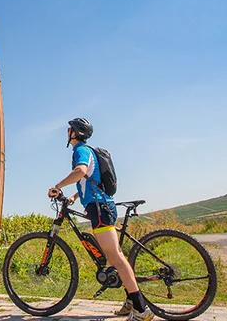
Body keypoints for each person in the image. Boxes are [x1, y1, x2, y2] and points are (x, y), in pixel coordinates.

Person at [47, 118, 153, 321]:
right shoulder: (88, 151)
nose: (67, 131)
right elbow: (90, 181)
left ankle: (142, 310)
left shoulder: (81, 150)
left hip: (100, 209)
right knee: (115, 257)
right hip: (100, 206)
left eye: (69, 129)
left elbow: (80, 172)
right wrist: (74, 197)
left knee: (116, 257)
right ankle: (130, 301)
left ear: (75, 133)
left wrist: (58, 186)